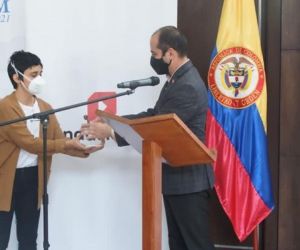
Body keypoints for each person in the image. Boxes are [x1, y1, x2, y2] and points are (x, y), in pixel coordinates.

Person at [81, 26, 215, 250]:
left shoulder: (187, 85)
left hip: (189, 182)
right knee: (179, 245)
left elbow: (159, 128)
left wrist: (112, 133)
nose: (152, 59)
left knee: (196, 245)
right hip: (176, 180)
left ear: (169, 53)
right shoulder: (176, 79)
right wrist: (113, 121)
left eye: (154, 54)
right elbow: (155, 115)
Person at [0, 50, 93, 250]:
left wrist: (84, 150)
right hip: (5, 180)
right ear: (16, 77)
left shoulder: (45, 107)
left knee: (28, 239)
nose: (39, 79)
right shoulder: (5, 107)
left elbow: (58, 141)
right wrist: (66, 144)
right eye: (33, 75)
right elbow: (32, 144)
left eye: (41, 73)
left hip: (34, 178)